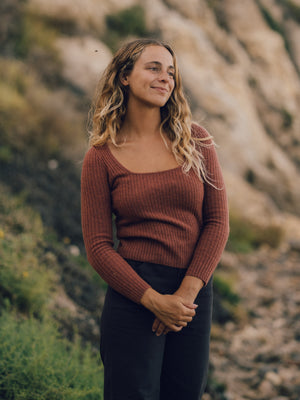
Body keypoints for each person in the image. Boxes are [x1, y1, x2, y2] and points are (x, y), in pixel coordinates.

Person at [81, 38, 229, 400]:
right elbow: (99, 247)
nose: (166, 78)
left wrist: (183, 296)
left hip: (192, 296)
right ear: (125, 77)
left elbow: (217, 223)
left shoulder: (197, 141)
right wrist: (152, 300)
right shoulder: (100, 156)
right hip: (133, 294)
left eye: (171, 72)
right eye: (153, 68)